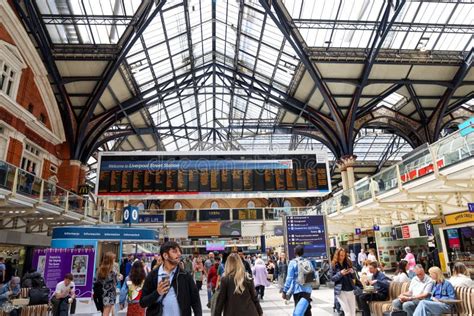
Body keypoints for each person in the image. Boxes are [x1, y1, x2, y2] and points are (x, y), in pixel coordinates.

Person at [140, 241, 202, 316]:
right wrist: (157, 293)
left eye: (179, 251)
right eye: (174, 251)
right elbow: (143, 303)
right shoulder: (153, 275)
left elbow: (196, 301)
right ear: (165, 255)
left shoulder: (185, 275)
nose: (179, 254)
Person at [282, 245, 314, 316]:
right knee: (307, 309)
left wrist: (285, 290)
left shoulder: (292, 262)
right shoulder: (308, 262)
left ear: (295, 252)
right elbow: (313, 274)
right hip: (307, 290)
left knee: (299, 311)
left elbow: (289, 278)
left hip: (297, 290)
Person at [330, 248, 358, 316]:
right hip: (340, 290)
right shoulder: (334, 265)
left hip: (350, 289)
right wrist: (340, 273)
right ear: (337, 255)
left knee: (353, 312)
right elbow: (332, 278)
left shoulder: (348, 263)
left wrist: (352, 272)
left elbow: (354, 277)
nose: (342, 257)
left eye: (343, 255)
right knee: (347, 312)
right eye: (340, 255)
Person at [98, 252, 121, 316]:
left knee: (105, 311)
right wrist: (119, 278)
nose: (114, 261)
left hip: (104, 293)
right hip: (109, 294)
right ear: (110, 260)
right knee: (106, 312)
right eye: (113, 259)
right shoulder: (110, 271)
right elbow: (115, 281)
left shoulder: (102, 269)